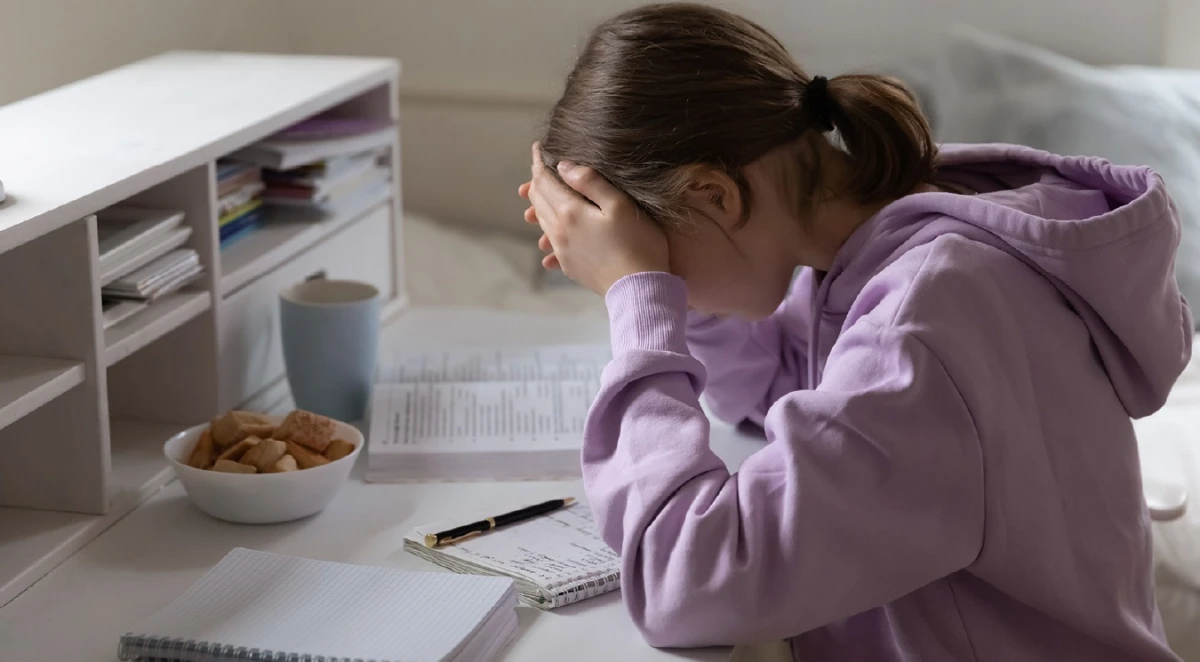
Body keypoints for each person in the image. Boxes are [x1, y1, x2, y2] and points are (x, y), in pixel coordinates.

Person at [518, 3, 1191, 661]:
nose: (664, 280)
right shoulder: (879, 243)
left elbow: (688, 586)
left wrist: (638, 303)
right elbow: (783, 389)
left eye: (656, 252)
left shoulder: (928, 320)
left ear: (714, 196)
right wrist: (664, 292)